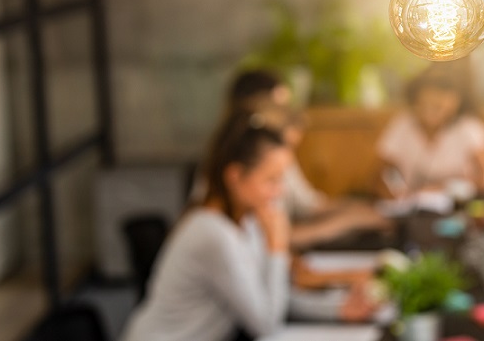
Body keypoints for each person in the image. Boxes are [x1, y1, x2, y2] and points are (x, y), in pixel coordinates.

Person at [122, 110, 292, 341]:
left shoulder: (245, 221)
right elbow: (265, 323)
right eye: (271, 180)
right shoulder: (212, 234)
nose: (279, 191)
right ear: (235, 176)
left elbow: (268, 295)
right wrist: (277, 248)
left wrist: (337, 309)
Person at [204, 69, 391, 249]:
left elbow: (305, 209)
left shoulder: (274, 157)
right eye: (279, 107)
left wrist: (359, 210)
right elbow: (274, 240)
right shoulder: (219, 221)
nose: (279, 191)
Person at [378, 60, 484, 195]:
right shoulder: (403, 124)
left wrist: (445, 188)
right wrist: (393, 193)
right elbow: (379, 174)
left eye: (439, 107)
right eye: (428, 104)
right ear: (416, 100)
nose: (433, 112)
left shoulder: (468, 127)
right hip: (412, 207)